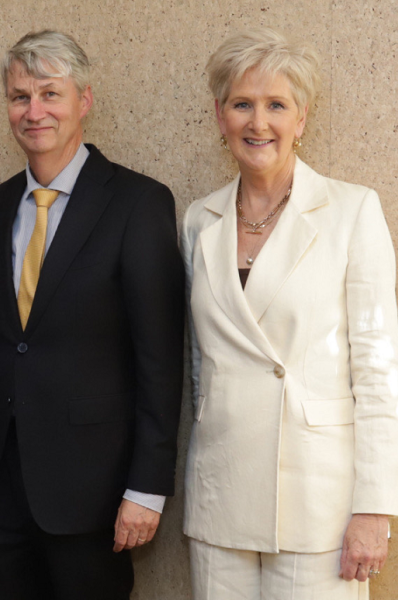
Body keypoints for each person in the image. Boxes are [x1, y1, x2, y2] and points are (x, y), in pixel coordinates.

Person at [181, 27, 398, 599]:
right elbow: (202, 364)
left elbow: (379, 369)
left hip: (318, 501)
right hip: (221, 492)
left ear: (301, 119)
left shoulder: (352, 211)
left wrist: (375, 507)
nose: (259, 122)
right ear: (220, 116)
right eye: (242, 104)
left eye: (277, 105)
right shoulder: (198, 221)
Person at [0, 30, 185, 600]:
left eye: (50, 94)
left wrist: (146, 488)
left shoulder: (138, 203)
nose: (34, 111)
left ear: (83, 101)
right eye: (20, 96)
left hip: (93, 492)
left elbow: (160, 360)